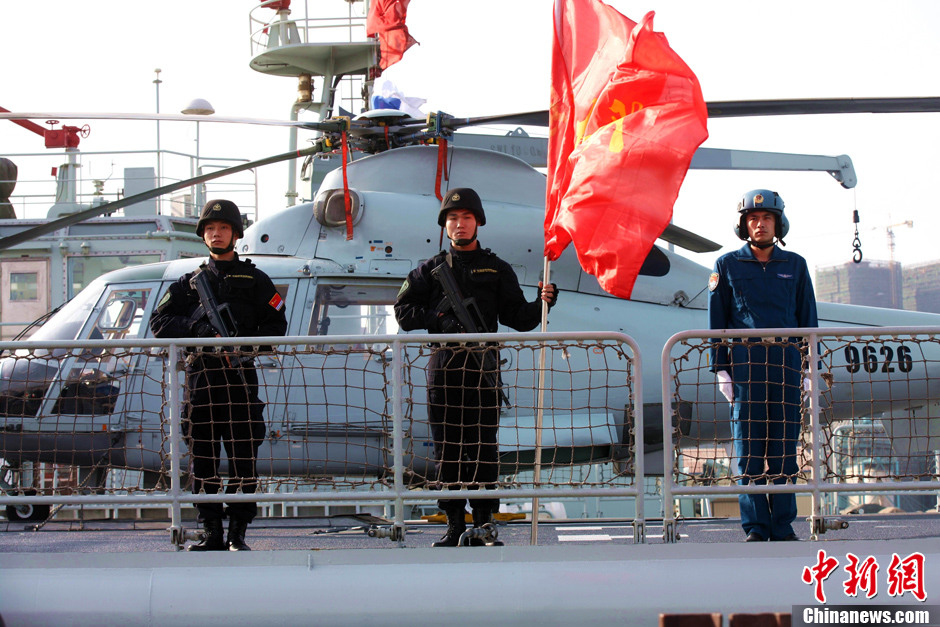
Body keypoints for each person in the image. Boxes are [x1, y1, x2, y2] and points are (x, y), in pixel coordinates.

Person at [394, 188, 557, 547]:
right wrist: (439, 319)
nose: (460, 224)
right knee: (448, 449)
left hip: (483, 369)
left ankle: (483, 523)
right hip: (446, 367)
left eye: (466, 217)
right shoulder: (428, 271)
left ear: (478, 222)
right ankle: (454, 524)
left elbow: (519, 318)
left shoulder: (497, 269)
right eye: (453, 218)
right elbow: (403, 313)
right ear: (445, 225)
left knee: (484, 448)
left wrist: (543, 303)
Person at [150, 199, 287, 551]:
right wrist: (198, 331)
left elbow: (276, 326)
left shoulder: (256, 280)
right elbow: (159, 322)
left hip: (240, 380)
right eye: (210, 229)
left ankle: (237, 532)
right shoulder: (187, 285)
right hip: (202, 381)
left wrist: (243, 345)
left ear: (235, 234)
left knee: (244, 458)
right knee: (203, 459)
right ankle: (211, 531)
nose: (216, 234)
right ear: (203, 235)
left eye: (223, 228)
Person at [708, 189, 818, 543]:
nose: (760, 224)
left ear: (778, 224)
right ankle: (756, 526)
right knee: (748, 450)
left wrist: (809, 366)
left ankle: (782, 524)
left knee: (785, 448)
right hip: (746, 365)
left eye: (767, 218)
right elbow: (717, 322)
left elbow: (808, 318)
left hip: (786, 363)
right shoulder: (726, 265)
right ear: (743, 225)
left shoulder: (795, 265)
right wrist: (721, 369)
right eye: (753, 219)